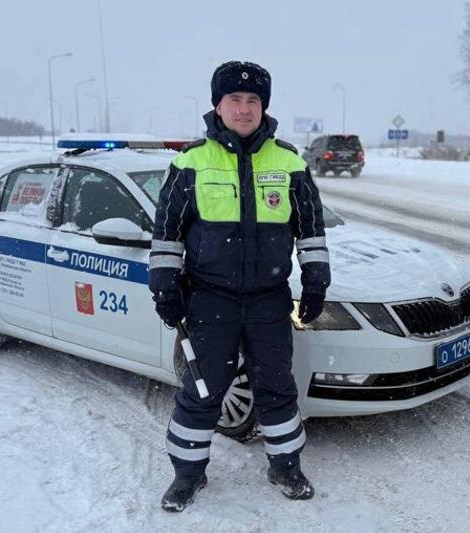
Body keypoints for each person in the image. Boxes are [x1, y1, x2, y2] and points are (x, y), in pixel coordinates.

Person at [148, 60, 330, 511]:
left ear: (263, 107)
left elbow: (310, 230)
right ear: (218, 105)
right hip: (210, 300)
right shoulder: (190, 162)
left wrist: (315, 281)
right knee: (202, 390)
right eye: (235, 99)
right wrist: (165, 286)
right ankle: (188, 475)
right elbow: (167, 233)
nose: (244, 109)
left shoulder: (288, 162)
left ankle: (285, 466)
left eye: (253, 100)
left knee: (277, 388)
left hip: (270, 302)